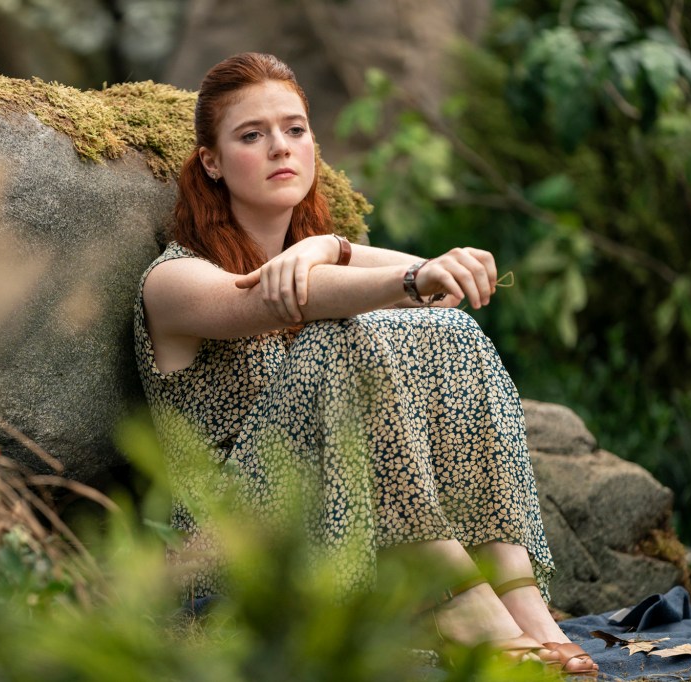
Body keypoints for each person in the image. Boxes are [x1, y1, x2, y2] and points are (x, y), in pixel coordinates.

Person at [134, 52, 597, 676]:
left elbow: (440, 294)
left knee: (449, 331)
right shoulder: (176, 279)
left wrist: (328, 243)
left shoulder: (319, 254)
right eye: (252, 135)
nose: (280, 148)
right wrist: (404, 276)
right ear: (211, 162)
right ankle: (454, 597)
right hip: (234, 549)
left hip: (340, 524)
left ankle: (522, 600)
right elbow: (305, 297)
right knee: (344, 338)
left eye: (295, 129)